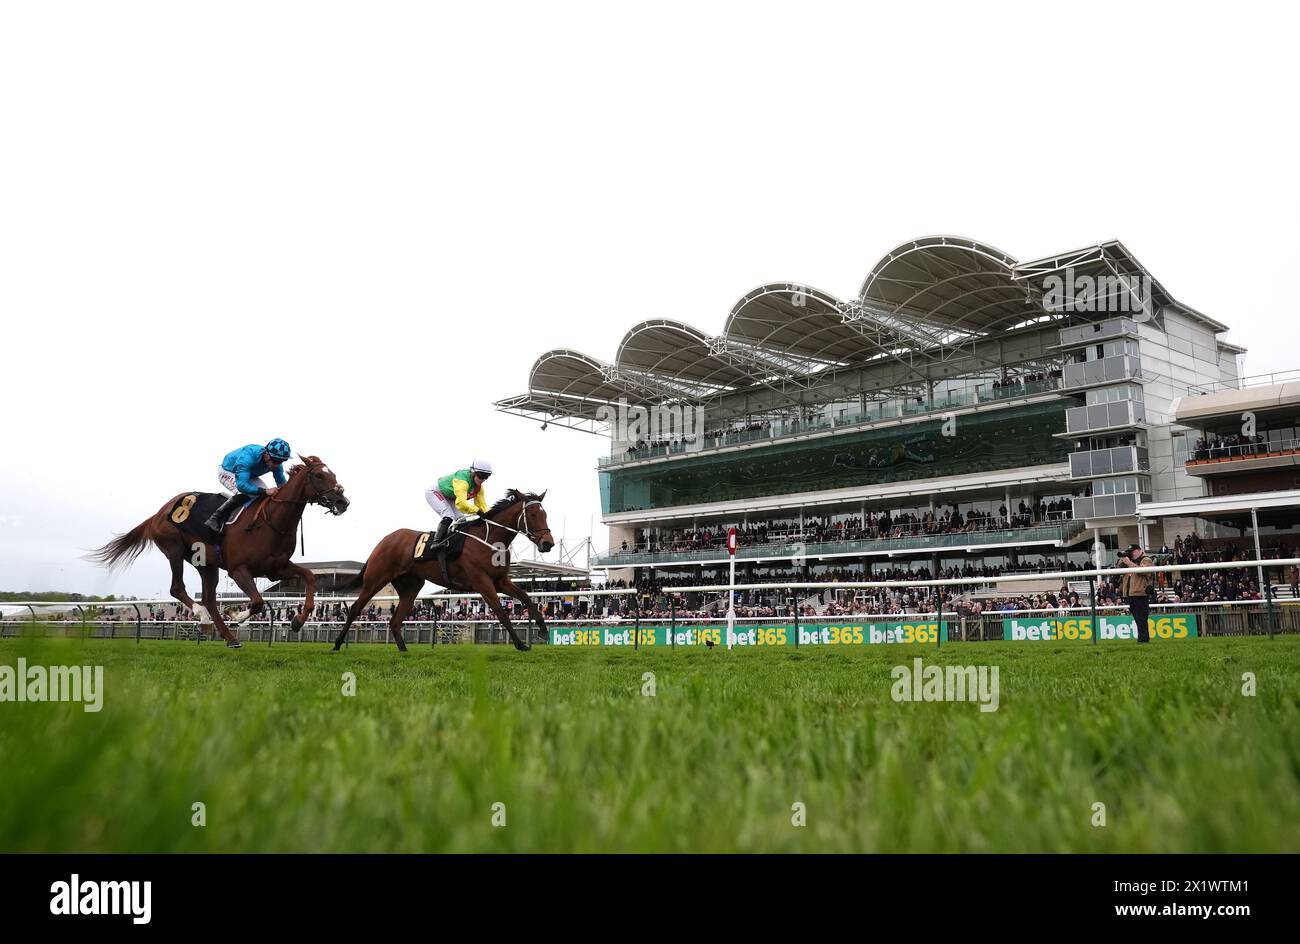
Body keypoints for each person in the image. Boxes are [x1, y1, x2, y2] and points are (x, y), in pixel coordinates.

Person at [204, 439, 292, 532]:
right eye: (276, 460)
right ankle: (214, 518)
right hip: (228, 471)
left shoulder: (277, 464)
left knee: (265, 496)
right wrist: (265, 491)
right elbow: (241, 485)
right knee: (250, 493)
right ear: (266, 454)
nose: (278, 465)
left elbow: (281, 484)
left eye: (282, 461)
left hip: (247, 474)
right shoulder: (248, 457)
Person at [425, 459, 493, 548]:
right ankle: (436, 542)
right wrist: (477, 511)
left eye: (486, 476)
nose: (483, 479)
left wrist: (489, 516)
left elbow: (481, 504)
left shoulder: (479, 488)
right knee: (449, 516)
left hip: (451, 497)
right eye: (481, 475)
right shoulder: (462, 480)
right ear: (473, 472)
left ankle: (452, 542)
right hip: (435, 492)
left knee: (461, 520)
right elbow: (461, 503)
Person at [1116, 542, 1154, 643]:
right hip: (1130, 594)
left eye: (1132, 552)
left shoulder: (1146, 560)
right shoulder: (1131, 562)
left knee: (1141, 618)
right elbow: (1119, 568)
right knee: (1137, 618)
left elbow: (1143, 571)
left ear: (1139, 550)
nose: (1131, 554)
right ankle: (1142, 638)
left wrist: (1129, 562)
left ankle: (1143, 639)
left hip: (1140, 593)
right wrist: (1123, 560)